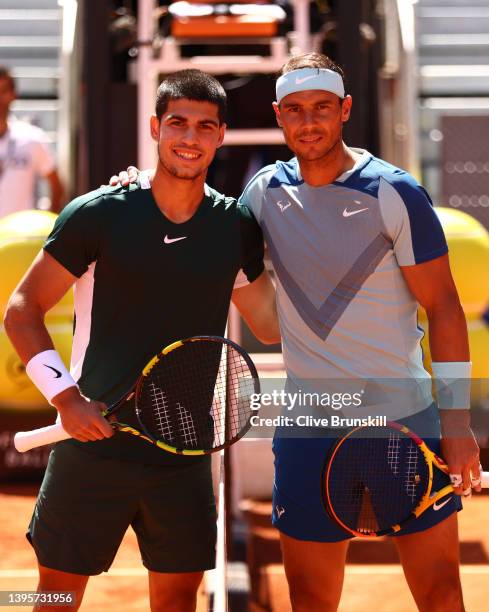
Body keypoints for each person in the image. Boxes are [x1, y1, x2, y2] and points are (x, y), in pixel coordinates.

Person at [113, 54, 482, 611]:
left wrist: (455, 422)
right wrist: (143, 188)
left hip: (402, 420)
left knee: (439, 593)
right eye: (295, 111)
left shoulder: (395, 192)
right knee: (309, 597)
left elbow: (446, 310)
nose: (309, 123)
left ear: (345, 110)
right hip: (309, 424)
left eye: (322, 109)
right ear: (278, 116)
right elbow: (208, 234)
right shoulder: (263, 192)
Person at [4, 69, 279, 612]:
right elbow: (22, 309)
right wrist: (65, 398)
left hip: (183, 452)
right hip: (91, 450)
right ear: (155, 127)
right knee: (54, 598)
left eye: (205, 126)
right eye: (177, 123)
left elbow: (269, 325)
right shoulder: (98, 213)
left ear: (220, 136)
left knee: (177, 603)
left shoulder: (235, 227)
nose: (190, 138)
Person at [0, 66, 64, 217]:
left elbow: (57, 186)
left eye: (3, 91)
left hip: (18, 237)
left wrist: (49, 228)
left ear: (13, 95)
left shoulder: (32, 137)